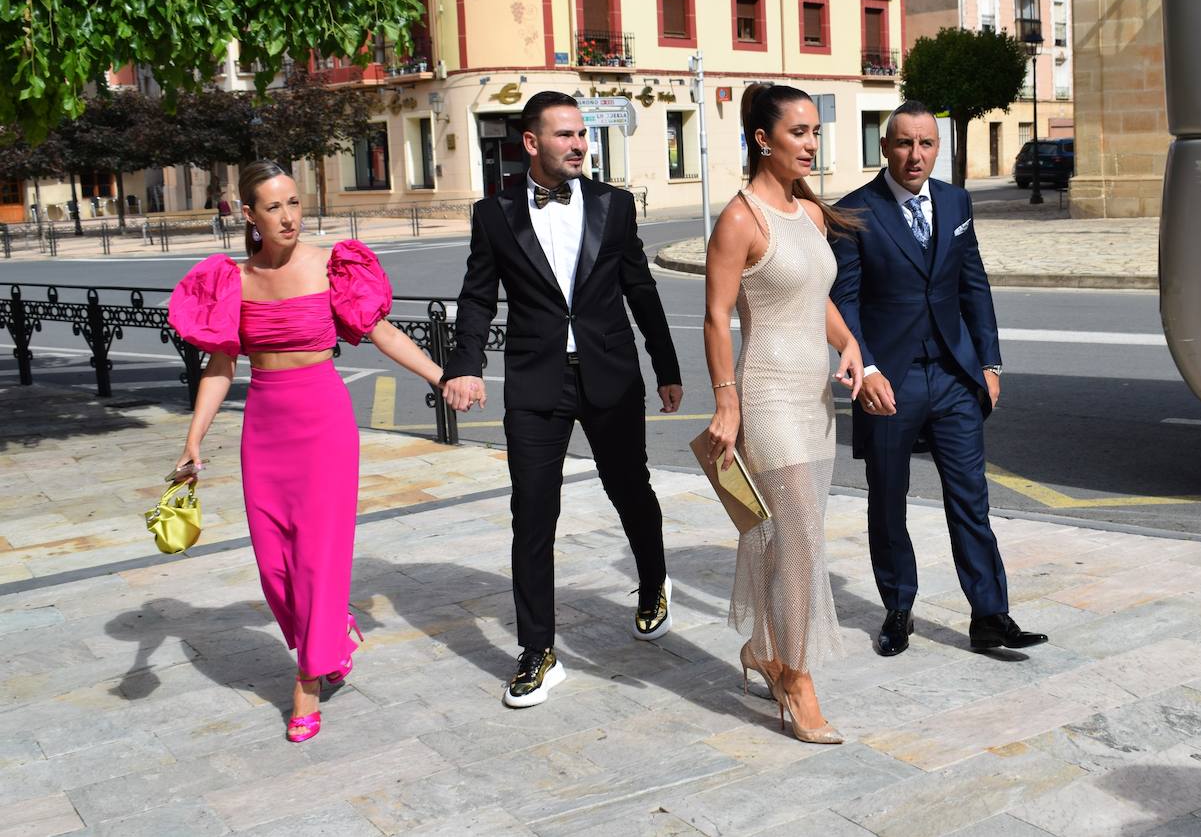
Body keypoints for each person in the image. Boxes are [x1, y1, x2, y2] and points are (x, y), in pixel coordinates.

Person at [168, 159, 444, 742]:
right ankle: (330, 630)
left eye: (294, 202)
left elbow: (381, 331)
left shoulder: (332, 264)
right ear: (248, 215)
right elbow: (221, 365)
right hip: (264, 423)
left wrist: (439, 377)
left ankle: (308, 679)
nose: (289, 216)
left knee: (318, 555)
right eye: (274, 207)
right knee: (274, 562)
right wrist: (193, 440)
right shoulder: (233, 280)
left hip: (323, 419)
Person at [442, 91, 683, 708]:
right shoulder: (493, 214)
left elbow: (640, 287)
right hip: (536, 381)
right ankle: (537, 651)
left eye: (582, 134)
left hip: (610, 374)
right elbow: (477, 298)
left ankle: (653, 580)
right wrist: (464, 365)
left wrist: (666, 365)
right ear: (532, 143)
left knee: (630, 488)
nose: (580, 144)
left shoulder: (614, 204)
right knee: (533, 514)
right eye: (566, 135)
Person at [829, 101, 1048, 657]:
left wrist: (989, 364)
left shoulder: (955, 201)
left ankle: (990, 615)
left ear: (937, 148)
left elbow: (974, 285)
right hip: (889, 382)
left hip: (954, 375)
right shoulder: (854, 212)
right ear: (885, 147)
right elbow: (844, 302)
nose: (915, 155)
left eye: (926, 144)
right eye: (904, 143)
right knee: (888, 500)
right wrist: (867, 368)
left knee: (971, 499)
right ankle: (898, 608)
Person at [703, 83, 864, 744]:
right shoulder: (740, 219)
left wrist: (850, 342)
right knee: (798, 537)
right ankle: (796, 679)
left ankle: (765, 653)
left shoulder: (810, 213)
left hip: (814, 397)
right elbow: (716, 315)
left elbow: (813, 296)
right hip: (766, 393)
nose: (810, 143)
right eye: (797, 132)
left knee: (788, 538)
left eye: (813, 132)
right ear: (762, 139)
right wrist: (726, 399)